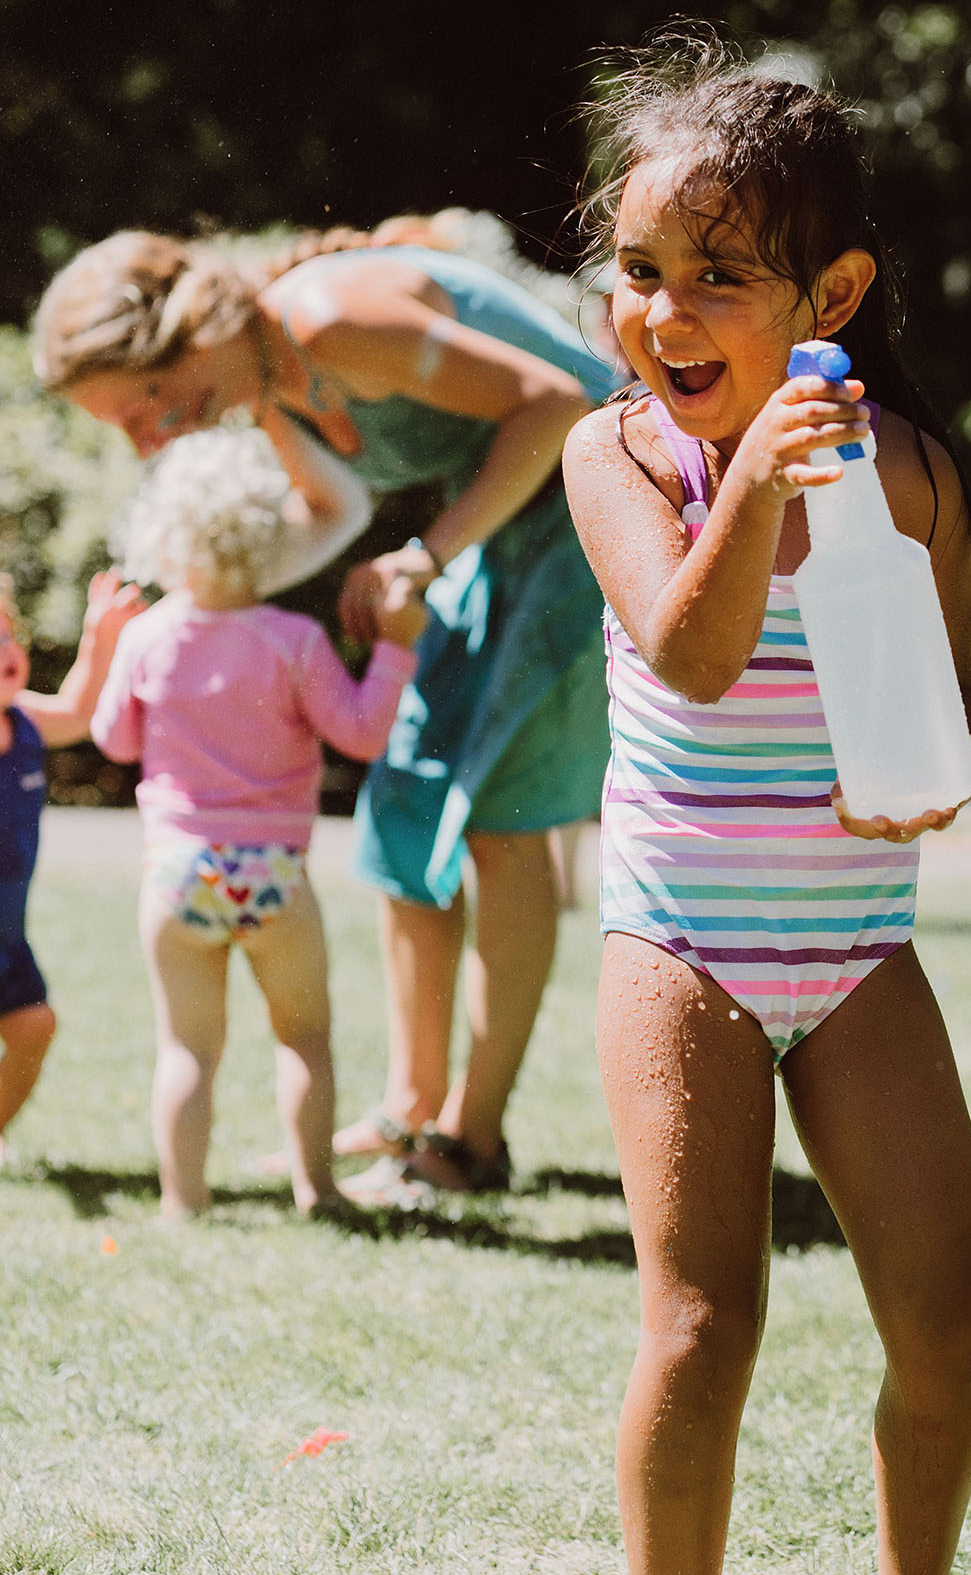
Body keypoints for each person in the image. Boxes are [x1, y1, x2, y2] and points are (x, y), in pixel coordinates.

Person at [560, 38, 971, 1575]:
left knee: (954, 1308)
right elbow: (691, 646)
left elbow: (953, 705)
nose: (666, 310)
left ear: (829, 292)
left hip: (856, 942)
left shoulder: (906, 471)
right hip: (683, 944)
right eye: (643, 270)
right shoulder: (622, 456)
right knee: (703, 1318)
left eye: (716, 277)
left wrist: (938, 769)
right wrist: (751, 467)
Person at [33, 214, 616, 1196]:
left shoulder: (326, 316)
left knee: (499, 822)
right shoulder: (265, 387)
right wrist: (191, 609)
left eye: (140, 406)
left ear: (181, 336)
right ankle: (406, 1111)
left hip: (593, 512)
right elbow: (331, 513)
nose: (148, 438)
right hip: (495, 531)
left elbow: (560, 404)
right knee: (404, 809)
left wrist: (428, 554)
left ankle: (468, 1144)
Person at [92, 428, 425, 1218]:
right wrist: (396, 652)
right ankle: (317, 1189)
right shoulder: (294, 642)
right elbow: (361, 734)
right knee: (304, 1036)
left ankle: (184, 1201)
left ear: (163, 534)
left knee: (187, 1049)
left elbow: (114, 740)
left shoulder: (148, 636)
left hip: (177, 876)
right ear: (270, 534)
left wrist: (108, 648)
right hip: (275, 872)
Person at [0, 566, 143, 1173]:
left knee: (34, 1028)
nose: (5, 648)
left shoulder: (22, 723)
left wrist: (101, 638)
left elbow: (78, 710)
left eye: (5, 633)